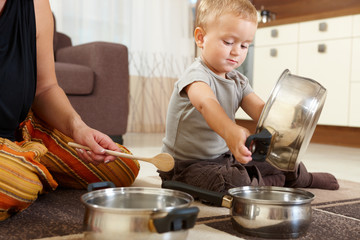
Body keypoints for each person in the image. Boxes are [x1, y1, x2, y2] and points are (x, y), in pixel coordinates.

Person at [159, 0, 339, 193]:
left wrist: (289, 124)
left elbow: (263, 112)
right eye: (228, 42)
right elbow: (206, 104)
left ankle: (303, 178)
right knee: (232, 181)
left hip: (224, 158)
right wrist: (230, 131)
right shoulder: (196, 76)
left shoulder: (239, 80)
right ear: (201, 38)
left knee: (278, 160)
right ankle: (266, 183)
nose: (236, 51)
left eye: (245, 45)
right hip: (185, 166)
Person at [0, 0, 139, 221]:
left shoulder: (37, 5)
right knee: (19, 184)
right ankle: (22, 168)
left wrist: (79, 129)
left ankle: (23, 161)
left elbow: (45, 88)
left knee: (121, 165)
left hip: (20, 129)